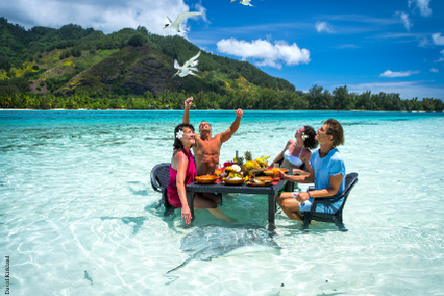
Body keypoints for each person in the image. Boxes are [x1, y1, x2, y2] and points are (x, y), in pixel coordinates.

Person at [276, 119, 346, 221]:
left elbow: (333, 190)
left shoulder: (336, 159)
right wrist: (287, 177)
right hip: (316, 197)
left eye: (321, 130)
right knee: (279, 197)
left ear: (329, 137)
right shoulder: (316, 154)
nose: (317, 130)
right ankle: (304, 218)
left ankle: (306, 227)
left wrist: (308, 194)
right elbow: (311, 177)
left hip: (329, 203)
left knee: (286, 204)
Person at [167, 123, 235, 224]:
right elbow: (179, 182)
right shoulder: (181, 156)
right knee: (212, 205)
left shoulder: (187, 151)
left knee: (217, 200)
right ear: (180, 137)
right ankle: (227, 222)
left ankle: (199, 210)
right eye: (189, 133)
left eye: (192, 132)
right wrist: (185, 205)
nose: (193, 134)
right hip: (178, 195)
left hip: (190, 190)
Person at [182, 97, 243, 175]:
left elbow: (232, 130)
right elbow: (186, 126)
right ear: (199, 131)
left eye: (206, 124)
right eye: (201, 125)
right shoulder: (197, 140)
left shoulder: (218, 139)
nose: (203, 125)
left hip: (215, 178)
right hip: (200, 179)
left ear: (211, 128)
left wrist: (239, 117)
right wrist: (187, 108)